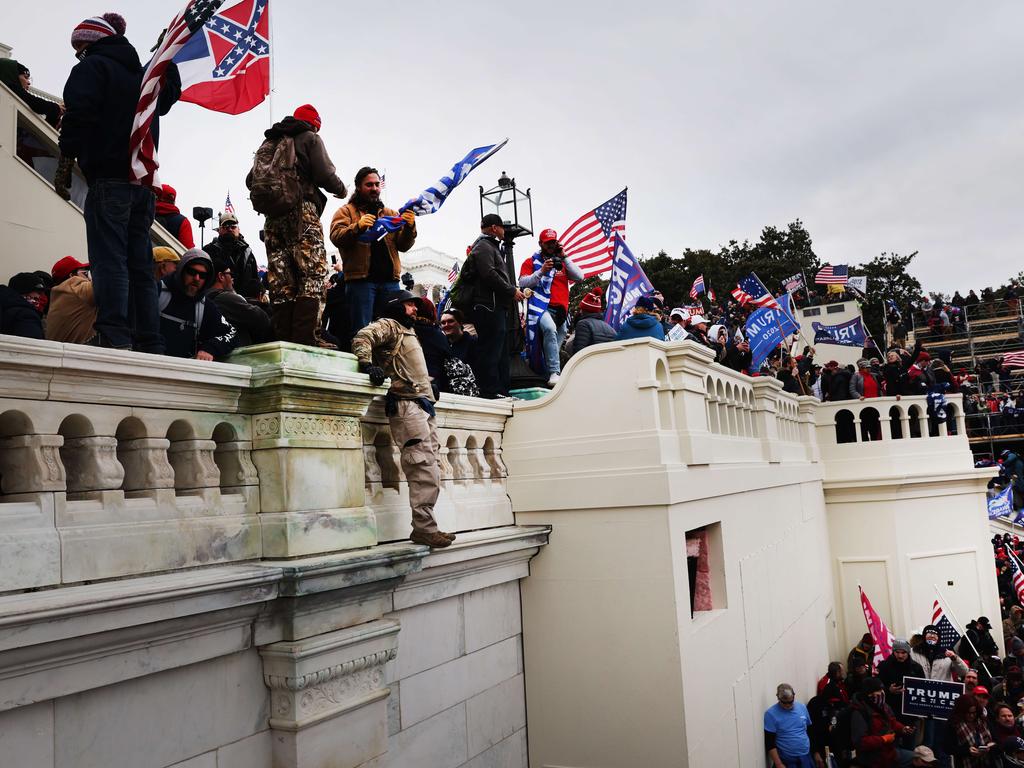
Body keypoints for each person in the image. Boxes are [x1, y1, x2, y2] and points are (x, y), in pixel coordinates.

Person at [56, 12, 180, 352]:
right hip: (142, 185)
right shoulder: (143, 75)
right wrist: (167, 56)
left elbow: (79, 115)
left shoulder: (91, 70)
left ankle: (113, 332)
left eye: (80, 46)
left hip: (108, 178)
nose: (78, 54)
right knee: (140, 263)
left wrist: (67, 152)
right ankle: (148, 338)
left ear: (93, 42)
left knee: (109, 259)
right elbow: (168, 98)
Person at [351, 291, 456, 548]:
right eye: (409, 304)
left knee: (430, 467)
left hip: (422, 404)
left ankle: (427, 527)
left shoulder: (407, 331)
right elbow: (362, 338)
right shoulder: (389, 326)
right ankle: (424, 529)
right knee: (421, 466)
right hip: (407, 405)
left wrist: (429, 389)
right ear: (395, 307)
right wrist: (366, 365)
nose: (413, 309)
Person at [249, 104, 347, 347]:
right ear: (314, 124)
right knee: (312, 273)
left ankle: (283, 337)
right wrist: (341, 189)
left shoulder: (269, 143)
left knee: (281, 278)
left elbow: (250, 179)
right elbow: (325, 174)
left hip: (272, 218)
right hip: (302, 212)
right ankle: (306, 337)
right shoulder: (309, 138)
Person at [330, 167, 416, 340]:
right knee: (362, 332)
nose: (375, 188)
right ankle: (365, 365)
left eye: (377, 184)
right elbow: (336, 236)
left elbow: (403, 245)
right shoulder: (346, 211)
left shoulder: (390, 214)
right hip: (361, 282)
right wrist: (358, 227)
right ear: (359, 187)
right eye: (369, 185)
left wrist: (409, 227)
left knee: (391, 332)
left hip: (389, 283)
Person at [461, 214, 524, 399]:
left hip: (495, 305)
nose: (505, 231)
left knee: (500, 350)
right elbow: (488, 274)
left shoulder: (489, 246)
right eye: (503, 228)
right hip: (488, 306)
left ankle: (501, 390)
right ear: (495, 228)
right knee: (491, 349)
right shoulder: (483, 246)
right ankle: (489, 391)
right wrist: (511, 291)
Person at [518, 228, 584, 386]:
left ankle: (545, 375)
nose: (550, 245)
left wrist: (564, 256)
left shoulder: (561, 262)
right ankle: (555, 372)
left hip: (562, 311)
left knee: (552, 346)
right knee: (549, 329)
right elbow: (522, 283)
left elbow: (580, 277)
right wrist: (541, 271)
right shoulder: (531, 261)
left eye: (553, 242)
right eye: (547, 243)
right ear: (540, 243)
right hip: (541, 308)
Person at [156, 249, 238, 360]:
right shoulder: (158, 291)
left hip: (182, 372)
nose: (197, 278)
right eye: (192, 272)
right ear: (182, 271)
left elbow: (232, 333)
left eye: (202, 275)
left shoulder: (204, 306)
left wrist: (210, 348)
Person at [206, 256, 272, 348]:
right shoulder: (226, 298)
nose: (233, 278)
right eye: (230, 274)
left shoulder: (205, 298)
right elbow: (261, 318)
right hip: (236, 355)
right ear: (221, 276)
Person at [851, 677, 916, 768]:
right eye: (878, 690)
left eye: (882, 689)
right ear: (869, 694)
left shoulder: (883, 706)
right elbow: (860, 742)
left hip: (890, 752)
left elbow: (892, 722)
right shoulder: (859, 713)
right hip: (874, 759)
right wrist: (883, 739)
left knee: (918, 759)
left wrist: (903, 728)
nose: (882, 693)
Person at [202, 213, 259, 301]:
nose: (229, 229)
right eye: (225, 227)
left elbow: (255, 279)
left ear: (238, 229)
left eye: (233, 226)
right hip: (220, 301)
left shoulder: (248, 253)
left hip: (247, 303)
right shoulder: (209, 250)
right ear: (219, 230)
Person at [763, 683, 821, 768]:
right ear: (778, 698)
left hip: (806, 757)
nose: (788, 705)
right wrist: (778, 763)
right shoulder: (770, 714)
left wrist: (816, 752)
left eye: (790, 702)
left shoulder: (802, 707)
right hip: (787, 760)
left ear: (794, 696)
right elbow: (769, 742)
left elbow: (810, 731)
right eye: (784, 703)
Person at [877, 639, 925, 738]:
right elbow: (875, 689)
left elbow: (923, 688)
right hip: (890, 712)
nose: (900, 656)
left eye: (903, 653)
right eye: (897, 652)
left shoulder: (916, 668)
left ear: (908, 652)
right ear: (893, 652)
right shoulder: (884, 666)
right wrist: (888, 690)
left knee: (910, 742)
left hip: (910, 713)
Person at [45, 256, 96, 345]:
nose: (89, 279)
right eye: (85, 274)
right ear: (72, 276)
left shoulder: (58, 297)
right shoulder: (73, 287)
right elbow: (107, 285)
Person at [0, 59, 62, 128]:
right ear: (11, 75)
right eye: (25, 77)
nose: (28, 82)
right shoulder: (11, 89)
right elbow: (33, 101)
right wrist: (56, 108)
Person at [944, 693, 995, 768]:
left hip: (986, 763)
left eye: (974, 713)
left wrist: (990, 746)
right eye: (968, 713)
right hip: (964, 763)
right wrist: (967, 751)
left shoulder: (983, 720)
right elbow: (948, 748)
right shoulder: (953, 724)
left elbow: (996, 740)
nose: (971, 716)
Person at [568, 286, 616, 358]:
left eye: (581, 309)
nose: (580, 311)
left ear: (584, 310)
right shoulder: (609, 327)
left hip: (591, 365)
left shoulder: (583, 324)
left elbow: (579, 353)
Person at [0, 272, 46, 338]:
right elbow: (32, 345)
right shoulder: (26, 315)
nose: (39, 297)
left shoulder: (5, 308)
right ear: (24, 291)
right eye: (38, 292)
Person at [154, 184, 195, 249]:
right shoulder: (183, 221)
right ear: (174, 201)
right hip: (173, 258)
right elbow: (188, 250)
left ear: (156, 196)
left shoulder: (143, 214)